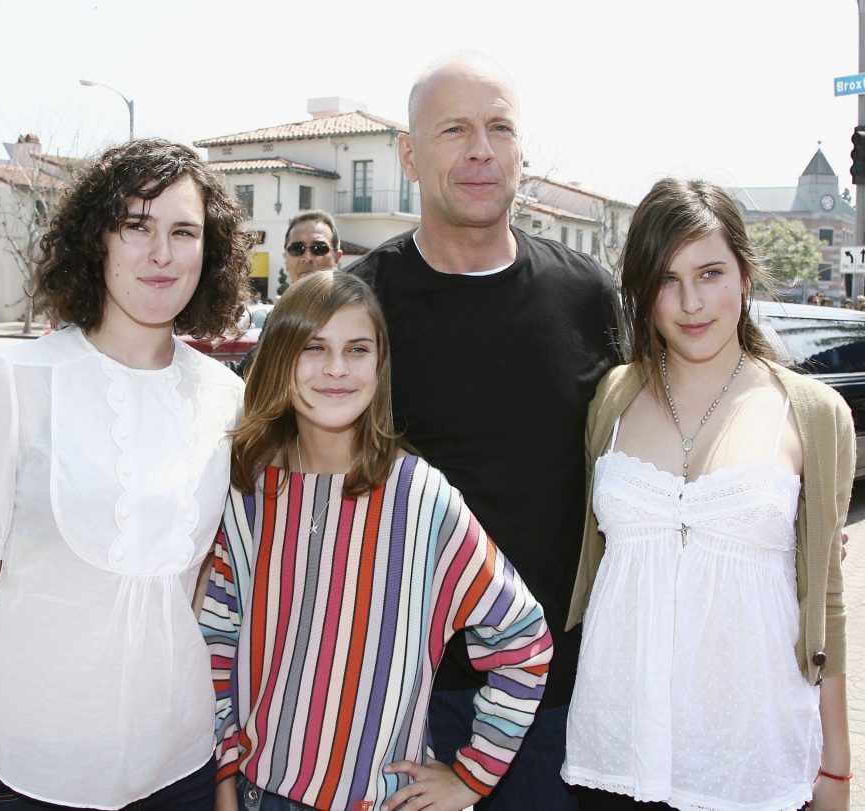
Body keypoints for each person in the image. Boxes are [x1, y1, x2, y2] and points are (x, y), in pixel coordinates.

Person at [0, 138, 254, 811]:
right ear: (96, 238)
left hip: (179, 767)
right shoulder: (14, 381)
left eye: (183, 232)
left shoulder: (228, 398)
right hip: (23, 773)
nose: (161, 254)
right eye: (137, 226)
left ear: (208, 252)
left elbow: (208, 590)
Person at [348, 53, 622, 808]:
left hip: (552, 703)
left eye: (500, 128)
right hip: (396, 702)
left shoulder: (588, 296)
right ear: (409, 155)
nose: (481, 151)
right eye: (454, 131)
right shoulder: (355, 309)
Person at [201, 271, 553, 811]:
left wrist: (471, 776)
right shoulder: (249, 491)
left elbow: (523, 637)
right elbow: (217, 643)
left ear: (380, 365)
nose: (336, 368)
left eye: (357, 349)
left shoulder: (420, 498)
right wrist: (224, 776)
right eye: (313, 347)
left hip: (375, 800)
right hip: (256, 795)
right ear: (279, 359)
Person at [561, 178, 854, 810]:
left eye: (710, 273)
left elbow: (825, 598)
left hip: (749, 757)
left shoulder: (812, 413)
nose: (691, 303)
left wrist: (837, 770)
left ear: (745, 275)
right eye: (667, 280)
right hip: (618, 748)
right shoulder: (612, 398)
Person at [232, 210, 344, 379]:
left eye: (318, 249)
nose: (307, 257)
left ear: (337, 257)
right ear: (286, 258)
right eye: (297, 249)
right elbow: (251, 372)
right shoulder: (278, 316)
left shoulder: (357, 312)